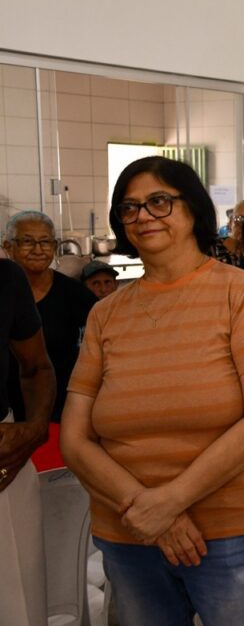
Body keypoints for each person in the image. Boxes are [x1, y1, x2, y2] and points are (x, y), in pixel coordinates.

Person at [60, 156, 244, 626]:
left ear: (193, 210)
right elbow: (75, 438)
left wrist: (169, 502)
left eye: (159, 201)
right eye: (130, 208)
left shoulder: (241, 294)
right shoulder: (105, 314)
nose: (143, 216)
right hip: (130, 532)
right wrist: (148, 511)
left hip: (228, 531)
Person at [0, 259, 57, 626]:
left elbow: (37, 367)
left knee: (17, 606)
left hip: (4, 460)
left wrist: (35, 429)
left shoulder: (5, 278)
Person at [3, 210, 96, 422]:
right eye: (27, 241)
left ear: (54, 247)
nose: (38, 249)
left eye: (45, 242)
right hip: (7, 413)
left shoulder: (74, 293)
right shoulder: (4, 292)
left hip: (61, 411)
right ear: (8, 247)